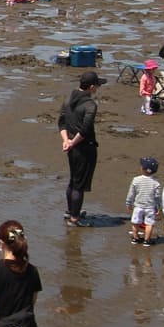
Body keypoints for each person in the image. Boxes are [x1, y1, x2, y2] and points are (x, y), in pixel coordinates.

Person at [58, 71, 106, 226]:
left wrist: (66, 141)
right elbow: (85, 130)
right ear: (91, 87)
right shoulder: (90, 105)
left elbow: (62, 122)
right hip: (84, 148)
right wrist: (73, 142)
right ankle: (74, 218)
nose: (97, 88)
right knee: (79, 185)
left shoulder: (68, 99)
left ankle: (71, 211)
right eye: (97, 85)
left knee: (73, 180)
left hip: (72, 147)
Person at [126, 157, 161, 245]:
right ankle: (147, 240)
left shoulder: (136, 180)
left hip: (138, 206)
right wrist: (158, 207)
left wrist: (128, 203)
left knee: (135, 222)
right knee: (149, 224)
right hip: (150, 207)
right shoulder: (156, 183)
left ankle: (135, 238)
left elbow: (131, 193)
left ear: (142, 168)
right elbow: (157, 197)